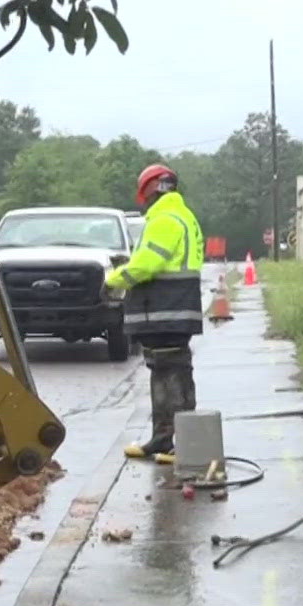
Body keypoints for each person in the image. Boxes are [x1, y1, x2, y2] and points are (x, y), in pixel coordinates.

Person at [108, 164, 205, 462]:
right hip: (169, 310)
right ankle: (163, 441)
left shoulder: (165, 219)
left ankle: (182, 446)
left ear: (150, 190)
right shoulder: (181, 216)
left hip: (166, 309)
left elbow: (149, 264)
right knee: (164, 372)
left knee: (173, 375)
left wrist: (114, 279)